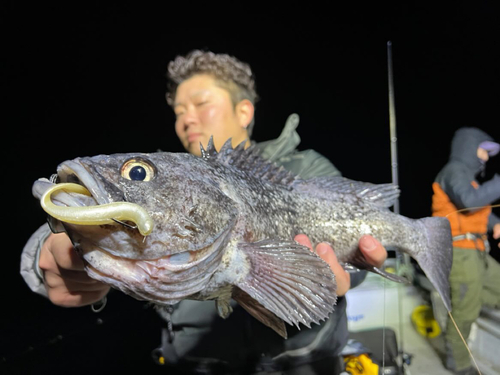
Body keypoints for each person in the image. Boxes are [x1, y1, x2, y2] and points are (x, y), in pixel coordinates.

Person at [21, 50, 388, 374]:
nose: (186, 120)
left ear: (244, 111)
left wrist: (336, 279)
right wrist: (49, 252)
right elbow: (96, 216)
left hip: (302, 364)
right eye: (179, 111)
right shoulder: (175, 177)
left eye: (200, 104)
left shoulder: (304, 169)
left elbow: (353, 246)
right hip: (194, 364)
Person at [431, 127, 500, 375]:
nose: (486, 156)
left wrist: (496, 224)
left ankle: (475, 296)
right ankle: (458, 364)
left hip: (478, 251)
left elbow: (480, 210)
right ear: (469, 148)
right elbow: (469, 201)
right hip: (459, 252)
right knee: (464, 311)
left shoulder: (468, 178)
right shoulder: (453, 172)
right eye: (483, 150)